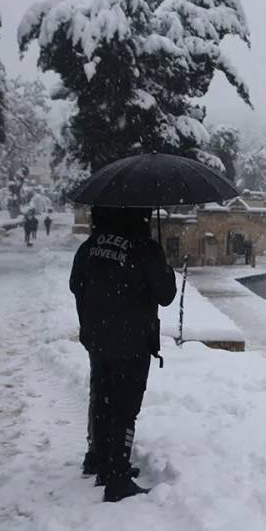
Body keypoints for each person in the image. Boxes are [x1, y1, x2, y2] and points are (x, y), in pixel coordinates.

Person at [70, 206, 176, 502]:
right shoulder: (144, 248)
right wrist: (164, 267)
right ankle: (117, 477)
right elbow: (165, 295)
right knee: (125, 406)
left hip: (98, 336)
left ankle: (101, 460)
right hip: (132, 341)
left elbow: (75, 284)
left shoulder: (91, 246)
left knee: (102, 397)